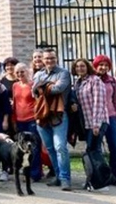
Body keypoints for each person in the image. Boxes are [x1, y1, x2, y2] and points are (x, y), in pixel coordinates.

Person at [32, 48, 72, 191]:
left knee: (60, 147)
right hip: (42, 115)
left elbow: (58, 89)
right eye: (47, 58)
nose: (49, 61)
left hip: (59, 114)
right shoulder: (38, 74)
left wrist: (43, 87)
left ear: (57, 59)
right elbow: (33, 92)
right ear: (42, 60)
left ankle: (65, 179)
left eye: (52, 58)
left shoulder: (64, 73)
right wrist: (48, 86)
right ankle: (58, 175)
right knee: (49, 148)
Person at [93, 54, 116, 187]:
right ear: (95, 65)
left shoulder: (111, 81)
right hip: (97, 117)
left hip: (111, 116)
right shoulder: (91, 79)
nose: (103, 67)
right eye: (101, 65)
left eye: (106, 65)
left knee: (115, 148)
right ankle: (101, 176)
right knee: (97, 149)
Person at [11, 62, 42, 182]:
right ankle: (26, 172)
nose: (20, 74)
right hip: (19, 119)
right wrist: (13, 119)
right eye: (17, 72)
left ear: (27, 72)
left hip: (31, 119)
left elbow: (38, 102)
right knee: (22, 147)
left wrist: (38, 116)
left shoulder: (33, 85)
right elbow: (14, 102)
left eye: (22, 72)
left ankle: (35, 174)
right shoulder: (15, 86)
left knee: (34, 147)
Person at [72, 58, 108, 156]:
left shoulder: (95, 80)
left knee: (93, 150)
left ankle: (101, 171)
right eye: (77, 66)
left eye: (83, 66)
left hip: (97, 121)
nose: (80, 68)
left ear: (88, 67)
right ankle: (94, 171)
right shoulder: (77, 83)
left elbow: (98, 102)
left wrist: (96, 125)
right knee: (92, 150)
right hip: (86, 122)